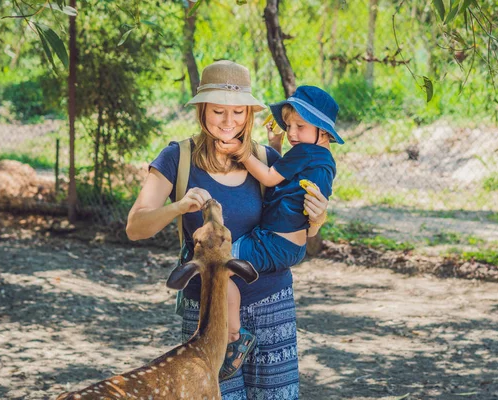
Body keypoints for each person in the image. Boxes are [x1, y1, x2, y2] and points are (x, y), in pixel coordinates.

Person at [126, 60, 328, 400]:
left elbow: (297, 233)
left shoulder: (266, 158)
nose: (228, 122)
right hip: (207, 314)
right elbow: (135, 227)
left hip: (271, 302)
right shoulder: (178, 158)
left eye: (238, 112)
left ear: (249, 114)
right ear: (202, 110)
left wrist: (317, 220)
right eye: (218, 111)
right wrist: (179, 205)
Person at [218, 86, 343, 363]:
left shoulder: (307, 153)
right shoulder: (321, 159)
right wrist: (274, 144)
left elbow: (270, 178)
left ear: (323, 131)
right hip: (291, 245)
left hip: (273, 242)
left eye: (301, 125)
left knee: (217, 266)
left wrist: (241, 151)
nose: (292, 133)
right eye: (288, 126)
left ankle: (235, 337)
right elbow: (286, 179)